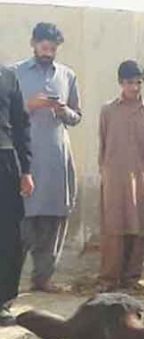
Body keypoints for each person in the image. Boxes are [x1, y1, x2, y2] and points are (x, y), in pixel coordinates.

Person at [15, 22, 82, 294]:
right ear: (33, 43)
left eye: (53, 47)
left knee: (54, 220)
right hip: (25, 160)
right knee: (21, 222)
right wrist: (28, 106)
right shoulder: (13, 73)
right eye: (44, 45)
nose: (48, 50)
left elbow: (77, 117)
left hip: (56, 159)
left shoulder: (67, 76)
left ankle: (43, 279)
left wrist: (63, 110)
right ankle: (10, 282)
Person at [97, 60, 144, 292]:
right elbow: (103, 142)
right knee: (114, 227)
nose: (134, 87)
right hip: (115, 176)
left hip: (141, 176)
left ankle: (132, 278)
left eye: (138, 82)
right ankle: (109, 280)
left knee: (138, 227)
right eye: (130, 82)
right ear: (121, 83)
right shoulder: (108, 111)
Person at [0, 65, 33, 326]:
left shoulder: (8, 76)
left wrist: (26, 170)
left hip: (5, 160)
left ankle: (2, 301)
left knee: (10, 234)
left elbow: (21, 124)